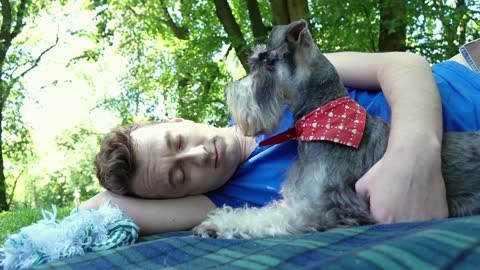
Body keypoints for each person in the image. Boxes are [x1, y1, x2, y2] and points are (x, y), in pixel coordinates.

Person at [81, 50, 480, 236]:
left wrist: (413, 156)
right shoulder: (226, 202)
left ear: (176, 119)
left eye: (178, 140)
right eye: (179, 175)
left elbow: (402, 65)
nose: (199, 154)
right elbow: (98, 207)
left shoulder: (271, 85)